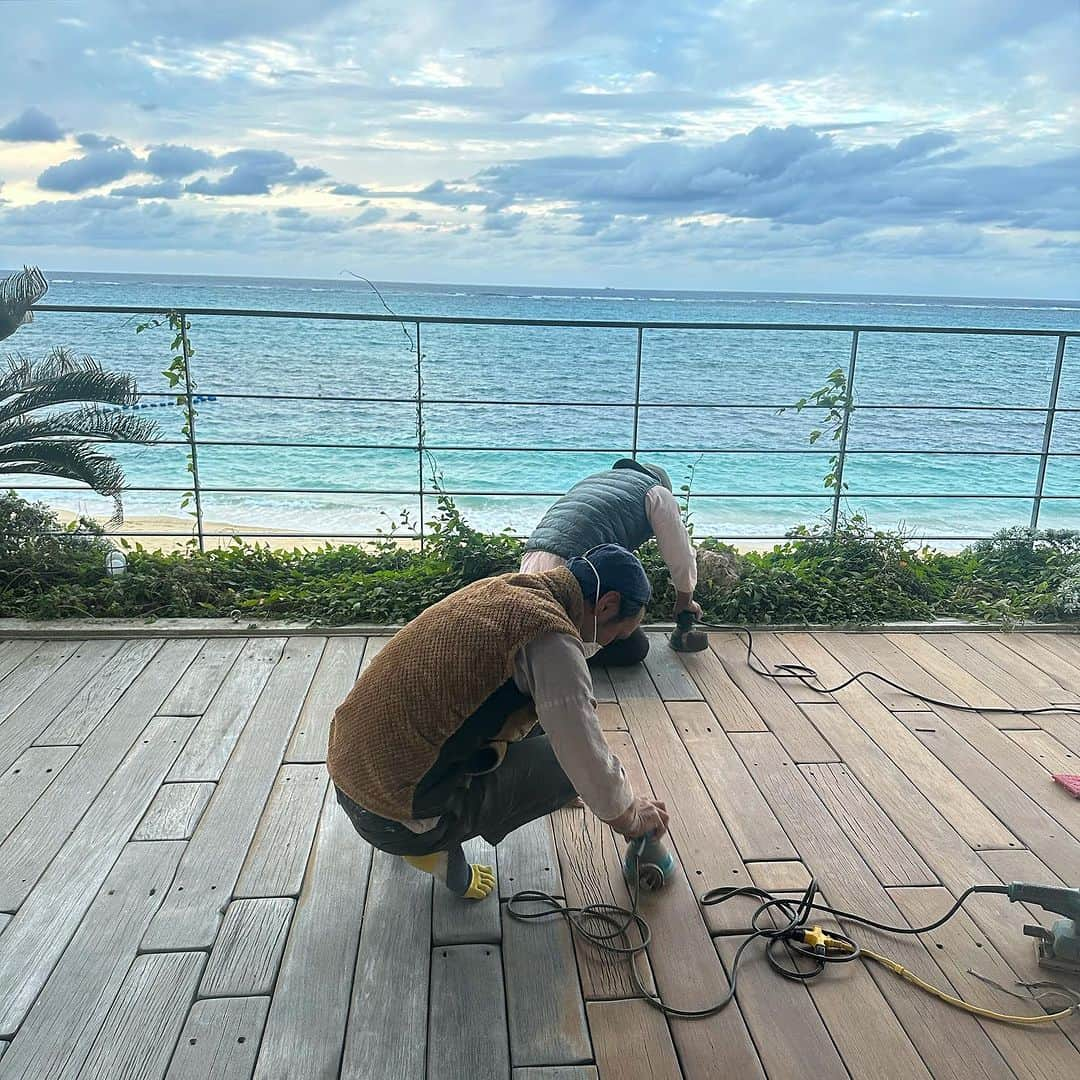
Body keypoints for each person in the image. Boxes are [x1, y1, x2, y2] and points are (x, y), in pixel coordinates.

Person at [327, 543, 669, 900]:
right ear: (607, 604)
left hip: (350, 774)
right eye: (620, 634)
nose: (613, 643)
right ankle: (426, 845)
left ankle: (416, 817)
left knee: (544, 721)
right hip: (390, 817)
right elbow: (586, 757)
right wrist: (630, 815)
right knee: (568, 768)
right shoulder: (550, 640)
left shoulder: (507, 589)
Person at [521, 458, 701, 666]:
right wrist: (685, 600)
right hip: (572, 571)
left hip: (531, 563)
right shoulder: (657, 493)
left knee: (543, 632)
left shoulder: (597, 480)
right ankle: (562, 659)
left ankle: (546, 649)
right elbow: (680, 554)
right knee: (634, 645)